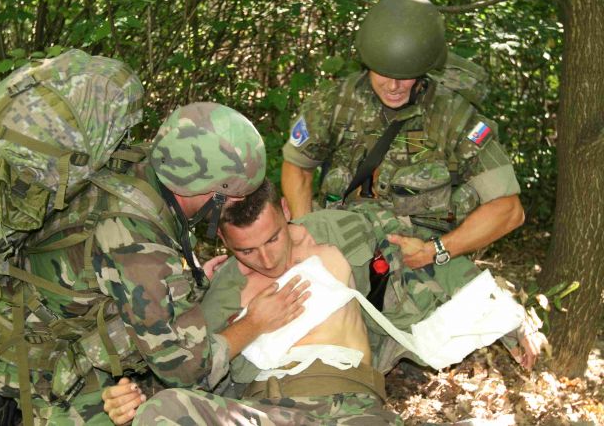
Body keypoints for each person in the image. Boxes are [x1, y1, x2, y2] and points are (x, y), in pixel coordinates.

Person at [0, 103, 309, 425]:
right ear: (209, 189)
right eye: (235, 194)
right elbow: (188, 371)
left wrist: (185, 282)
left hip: (48, 310)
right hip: (38, 357)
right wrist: (253, 323)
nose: (239, 202)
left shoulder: (148, 167)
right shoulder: (139, 245)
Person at [103, 179, 543, 425]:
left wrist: (507, 317)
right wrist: (137, 394)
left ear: (286, 212)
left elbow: (418, 259)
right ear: (222, 239)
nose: (267, 259)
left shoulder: (336, 236)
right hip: (268, 412)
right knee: (162, 414)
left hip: (351, 407)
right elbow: (189, 367)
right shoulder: (225, 290)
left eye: (272, 239)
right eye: (247, 250)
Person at [281, 0, 525, 270]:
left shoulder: (455, 118)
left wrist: (436, 250)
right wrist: (307, 233)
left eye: (405, 75)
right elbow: (297, 167)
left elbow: (509, 209)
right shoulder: (335, 103)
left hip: (420, 264)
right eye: (384, 73)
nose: (393, 86)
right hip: (339, 247)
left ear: (425, 68)